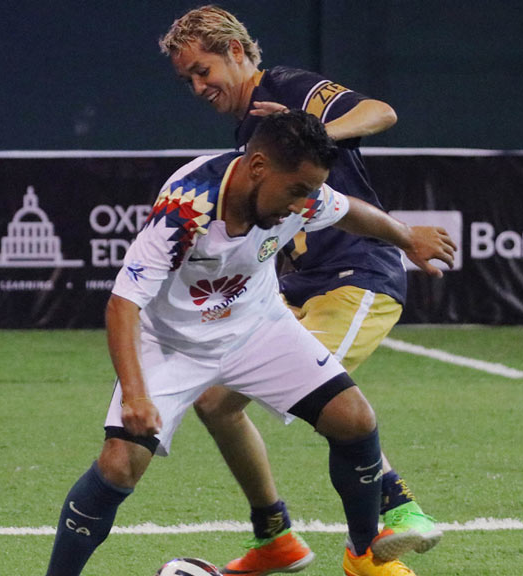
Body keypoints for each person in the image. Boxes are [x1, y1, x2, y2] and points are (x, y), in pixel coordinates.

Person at [45, 110, 456, 576]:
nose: (303, 204)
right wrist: (136, 394)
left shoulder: (301, 194)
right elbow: (123, 304)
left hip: (257, 326)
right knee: (119, 466)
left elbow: (347, 211)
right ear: (258, 167)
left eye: (310, 191)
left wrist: (406, 238)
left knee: (354, 420)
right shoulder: (188, 208)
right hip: (171, 343)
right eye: (296, 190)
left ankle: (363, 554)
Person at [159, 6, 443, 573]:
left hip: (357, 276)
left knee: (319, 394)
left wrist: (309, 135)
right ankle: (276, 537)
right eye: (186, 78)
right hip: (293, 286)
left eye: (202, 69)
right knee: (216, 401)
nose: (196, 86)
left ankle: (392, 517)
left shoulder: (285, 87)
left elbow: (379, 112)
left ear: (236, 52)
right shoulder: (247, 128)